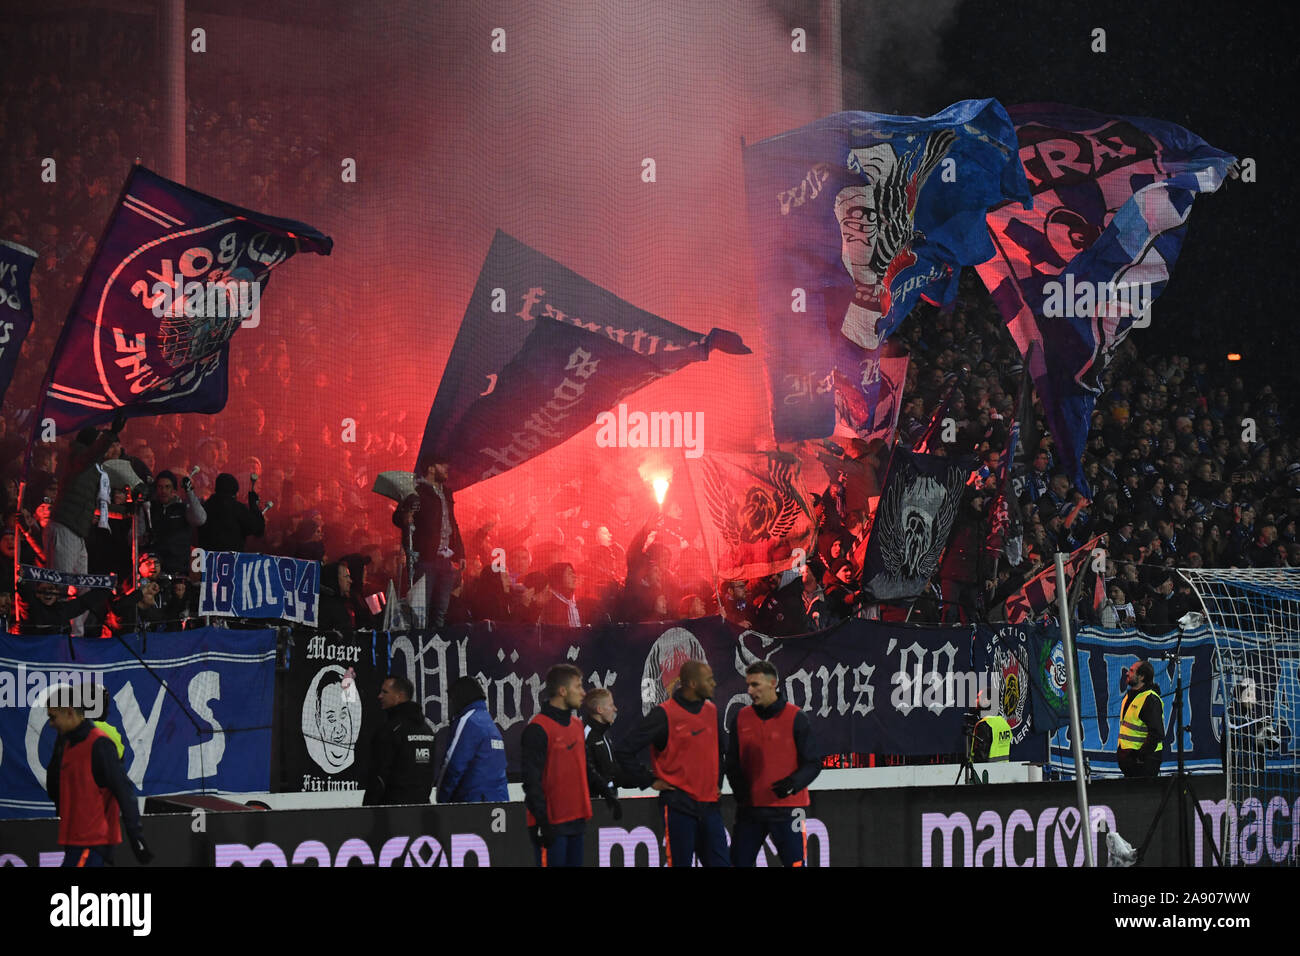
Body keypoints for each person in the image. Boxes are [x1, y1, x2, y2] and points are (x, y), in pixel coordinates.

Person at [615, 659, 729, 867]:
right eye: (709, 679)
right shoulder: (664, 714)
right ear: (692, 684)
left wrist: (718, 784)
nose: (714, 683)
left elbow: (722, 752)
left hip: (710, 807)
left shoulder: (712, 711)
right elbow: (624, 750)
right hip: (679, 807)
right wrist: (648, 779)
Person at [725, 661, 821, 867]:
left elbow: (813, 763)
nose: (750, 690)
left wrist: (793, 784)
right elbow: (731, 761)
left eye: (756, 684)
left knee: (795, 864)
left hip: (788, 809)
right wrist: (740, 791)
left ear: (773, 683)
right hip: (750, 810)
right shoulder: (741, 718)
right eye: (748, 685)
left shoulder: (797, 718)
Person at [45, 686, 152, 867]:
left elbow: (124, 791)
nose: (51, 723)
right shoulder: (66, 743)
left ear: (70, 712)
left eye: (53, 717)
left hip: (90, 841)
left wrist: (136, 837)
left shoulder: (99, 745)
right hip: (74, 839)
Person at [47, 416, 124, 635]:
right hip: (64, 527)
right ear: (93, 444)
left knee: (84, 588)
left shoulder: (95, 469)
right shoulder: (78, 459)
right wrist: (109, 435)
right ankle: (57, 633)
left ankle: (76, 634)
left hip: (78, 532)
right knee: (60, 584)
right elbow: (92, 455)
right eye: (100, 442)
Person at [521, 664, 592, 867]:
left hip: (577, 821)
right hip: (551, 824)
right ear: (562, 691)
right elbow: (531, 781)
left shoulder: (577, 725)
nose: (583, 692)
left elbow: (584, 766)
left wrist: (606, 791)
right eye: (578, 686)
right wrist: (542, 821)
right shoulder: (537, 729)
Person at [392, 452, 464, 630]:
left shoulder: (446, 492)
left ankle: (435, 647)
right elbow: (397, 517)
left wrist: (460, 552)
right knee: (420, 609)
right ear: (431, 469)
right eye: (442, 465)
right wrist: (405, 517)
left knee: (440, 611)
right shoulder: (416, 490)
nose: (446, 469)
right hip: (424, 559)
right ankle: (419, 647)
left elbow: (452, 523)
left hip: (445, 559)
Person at [362, 675, 436, 806]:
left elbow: (378, 776)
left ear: (399, 696)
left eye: (385, 692)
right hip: (422, 810)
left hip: (392, 813)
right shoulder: (427, 730)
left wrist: (368, 808)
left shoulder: (390, 730)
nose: (380, 696)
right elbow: (429, 773)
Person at [437, 676, 509, 803]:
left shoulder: (468, 721)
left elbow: (453, 764)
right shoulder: (489, 723)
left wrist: (441, 800)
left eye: (452, 699)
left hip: (473, 804)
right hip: (498, 800)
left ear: (459, 697)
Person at [145, 469, 206, 576]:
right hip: (154, 571)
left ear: (174, 489)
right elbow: (135, 535)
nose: (163, 491)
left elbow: (200, 519)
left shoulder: (182, 508)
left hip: (179, 571)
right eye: (160, 487)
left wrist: (190, 492)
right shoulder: (149, 508)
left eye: (167, 487)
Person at [196, 473, 265, 554]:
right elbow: (257, 529)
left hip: (207, 560)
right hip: (231, 562)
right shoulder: (237, 508)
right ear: (235, 490)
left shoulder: (205, 506)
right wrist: (254, 504)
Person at [1117, 660, 1164, 777]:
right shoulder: (1130, 696)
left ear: (1142, 677)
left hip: (1144, 762)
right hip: (1129, 759)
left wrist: (1140, 757)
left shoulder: (1150, 699)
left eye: (1132, 671)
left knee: (1144, 794)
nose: (1128, 673)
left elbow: (1156, 733)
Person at [581, 687, 622, 816]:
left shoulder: (605, 733)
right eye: (611, 705)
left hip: (610, 799)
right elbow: (586, 771)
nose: (615, 709)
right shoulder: (584, 735)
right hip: (594, 803)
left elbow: (611, 768)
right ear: (599, 709)